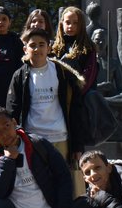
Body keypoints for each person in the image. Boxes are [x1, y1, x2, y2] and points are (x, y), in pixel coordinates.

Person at [5, 27, 86, 167]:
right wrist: (13, 140)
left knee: (61, 182)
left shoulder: (63, 73)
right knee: (36, 184)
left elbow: (76, 109)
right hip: (32, 138)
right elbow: (12, 110)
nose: (37, 49)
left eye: (41, 44)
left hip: (60, 137)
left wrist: (78, 146)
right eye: (32, 45)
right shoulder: (19, 76)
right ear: (25, 50)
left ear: (49, 48)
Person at [51, 6, 98, 96]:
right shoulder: (54, 47)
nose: (71, 26)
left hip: (79, 97)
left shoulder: (88, 48)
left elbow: (89, 76)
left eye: (75, 23)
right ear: (62, 23)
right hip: (55, 96)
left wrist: (75, 94)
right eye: (67, 22)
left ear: (81, 25)